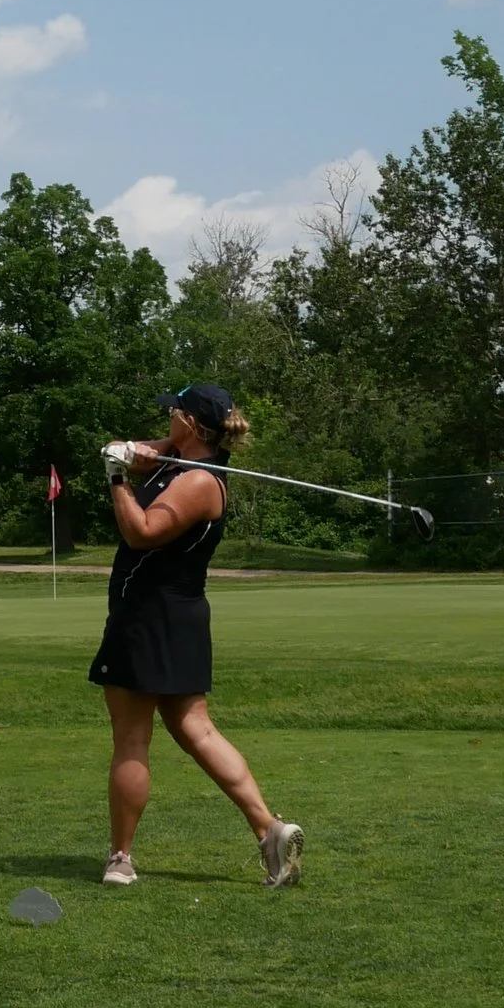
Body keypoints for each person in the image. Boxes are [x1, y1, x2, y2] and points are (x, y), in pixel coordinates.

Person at [88, 382, 303, 891]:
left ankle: (121, 858)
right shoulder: (183, 462)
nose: (165, 419)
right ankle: (269, 832)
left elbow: (140, 531)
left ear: (191, 423)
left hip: (149, 617)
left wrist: (116, 476)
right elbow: (154, 453)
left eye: (172, 414)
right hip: (175, 618)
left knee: (133, 738)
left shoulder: (197, 483)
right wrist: (136, 450)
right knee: (194, 731)